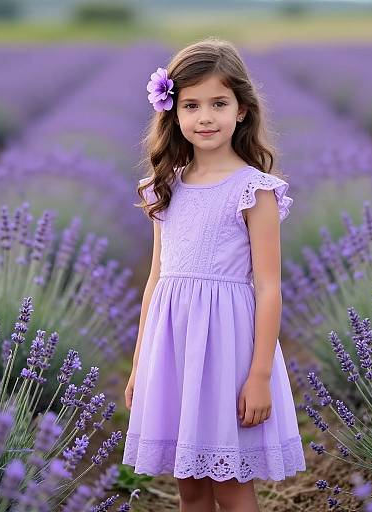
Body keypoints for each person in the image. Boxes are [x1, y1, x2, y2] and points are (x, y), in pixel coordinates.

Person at [122, 37, 306, 512]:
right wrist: (142, 362)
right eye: (191, 105)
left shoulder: (254, 191)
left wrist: (260, 375)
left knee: (231, 484)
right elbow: (156, 280)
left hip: (228, 352)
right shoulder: (165, 188)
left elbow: (268, 287)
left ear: (242, 110)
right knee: (191, 486)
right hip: (175, 351)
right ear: (173, 112)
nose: (205, 117)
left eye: (218, 104)